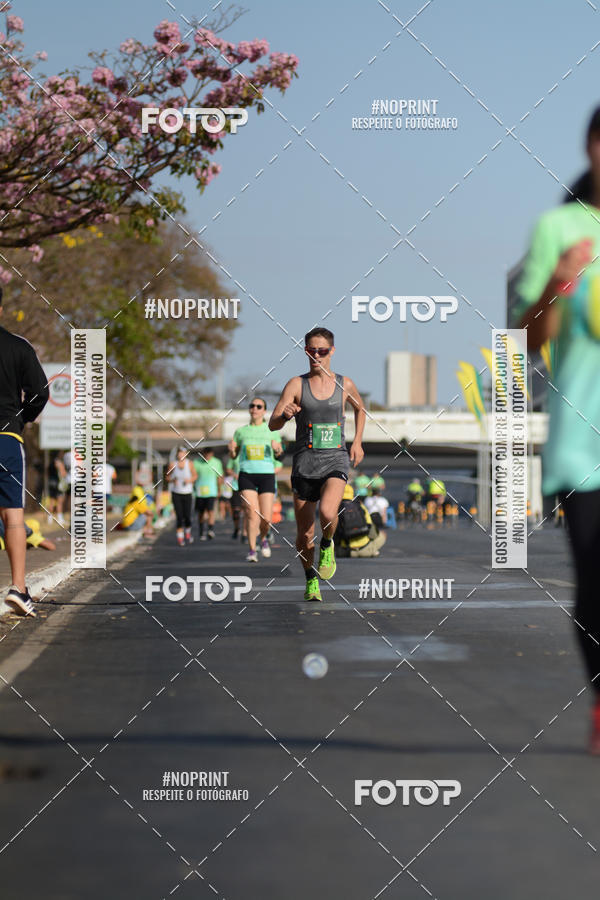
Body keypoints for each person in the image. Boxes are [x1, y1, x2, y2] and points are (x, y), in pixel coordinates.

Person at [517, 105, 600, 754]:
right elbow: (530, 336)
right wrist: (559, 280)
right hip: (582, 442)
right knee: (596, 586)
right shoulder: (559, 227)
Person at [269, 327, 365, 601]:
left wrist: (357, 442)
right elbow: (273, 424)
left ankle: (328, 543)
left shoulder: (344, 384)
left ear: (331, 351)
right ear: (306, 351)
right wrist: (285, 415)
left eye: (322, 351)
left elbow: (360, 409)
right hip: (304, 464)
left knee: (327, 512)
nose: (316, 356)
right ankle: (311, 578)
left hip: (335, 459)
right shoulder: (296, 385)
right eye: (311, 351)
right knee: (304, 533)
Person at [0, 288, 49, 617]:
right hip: (6, 438)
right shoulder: (18, 346)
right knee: (12, 515)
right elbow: (40, 392)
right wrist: (23, 417)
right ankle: (18, 587)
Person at [230, 398, 282, 562]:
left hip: (266, 476)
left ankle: (264, 539)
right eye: (252, 406)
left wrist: (278, 450)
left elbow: (280, 456)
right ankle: (252, 550)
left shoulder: (272, 431)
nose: (255, 409)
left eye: (259, 406)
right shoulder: (241, 432)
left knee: (266, 518)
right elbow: (234, 455)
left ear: (264, 411)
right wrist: (231, 450)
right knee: (252, 514)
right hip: (247, 475)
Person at [335, 484, 386, 558]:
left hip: (347, 551)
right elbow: (371, 529)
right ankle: (373, 550)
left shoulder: (336, 509)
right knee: (383, 535)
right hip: (365, 549)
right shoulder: (360, 506)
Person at [166, 447, 195, 546]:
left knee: (187, 516)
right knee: (179, 516)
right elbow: (167, 477)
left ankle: (188, 533)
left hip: (187, 493)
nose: (181, 455)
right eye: (180, 453)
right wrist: (172, 480)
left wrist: (189, 480)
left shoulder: (189, 464)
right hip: (176, 493)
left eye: (183, 453)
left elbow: (195, 476)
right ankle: (180, 538)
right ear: (177, 454)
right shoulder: (173, 464)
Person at [193, 447, 223, 541]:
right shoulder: (196, 462)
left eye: (209, 455)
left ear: (212, 454)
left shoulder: (217, 462)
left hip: (211, 491)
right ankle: (201, 530)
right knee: (201, 512)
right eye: (205, 454)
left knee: (211, 511)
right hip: (200, 492)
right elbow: (193, 475)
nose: (207, 456)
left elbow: (219, 477)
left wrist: (219, 490)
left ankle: (210, 530)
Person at [46, 450, 67, 525]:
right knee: (59, 502)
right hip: (58, 484)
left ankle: (49, 519)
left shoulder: (50, 463)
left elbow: (47, 474)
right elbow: (63, 474)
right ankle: (60, 519)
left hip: (51, 484)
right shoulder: (59, 463)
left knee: (51, 502)